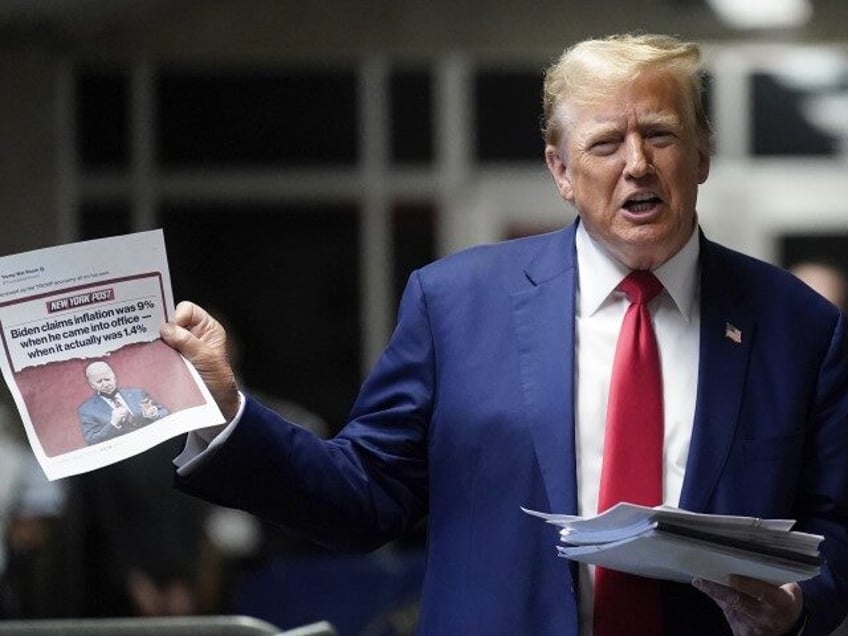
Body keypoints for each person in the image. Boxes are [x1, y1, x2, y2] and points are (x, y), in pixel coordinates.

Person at [159, 33, 848, 635]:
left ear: (701, 155)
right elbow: (361, 499)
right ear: (560, 171)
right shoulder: (456, 305)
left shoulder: (799, 326)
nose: (636, 164)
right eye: (606, 143)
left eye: (660, 135)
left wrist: (798, 602)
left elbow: (837, 524)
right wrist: (228, 412)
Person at [77, 361, 169, 445]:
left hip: (152, 442)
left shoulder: (137, 393)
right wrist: (113, 424)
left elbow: (165, 412)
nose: (105, 384)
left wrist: (155, 414)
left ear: (114, 378)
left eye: (107, 379)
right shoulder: (86, 410)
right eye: (99, 381)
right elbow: (92, 441)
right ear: (92, 385)